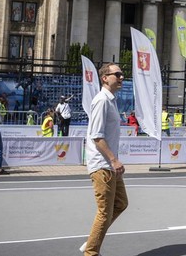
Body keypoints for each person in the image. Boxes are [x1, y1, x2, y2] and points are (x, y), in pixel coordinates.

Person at [80, 63, 128, 256]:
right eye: (117, 74)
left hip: (109, 165)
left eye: (122, 74)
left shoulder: (111, 100)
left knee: (121, 203)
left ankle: (93, 239)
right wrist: (114, 160)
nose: (121, 77)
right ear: (105, 78)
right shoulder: (102, 101)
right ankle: (91, 251)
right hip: (102, 165)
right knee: (104, 212)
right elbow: (97, 136)